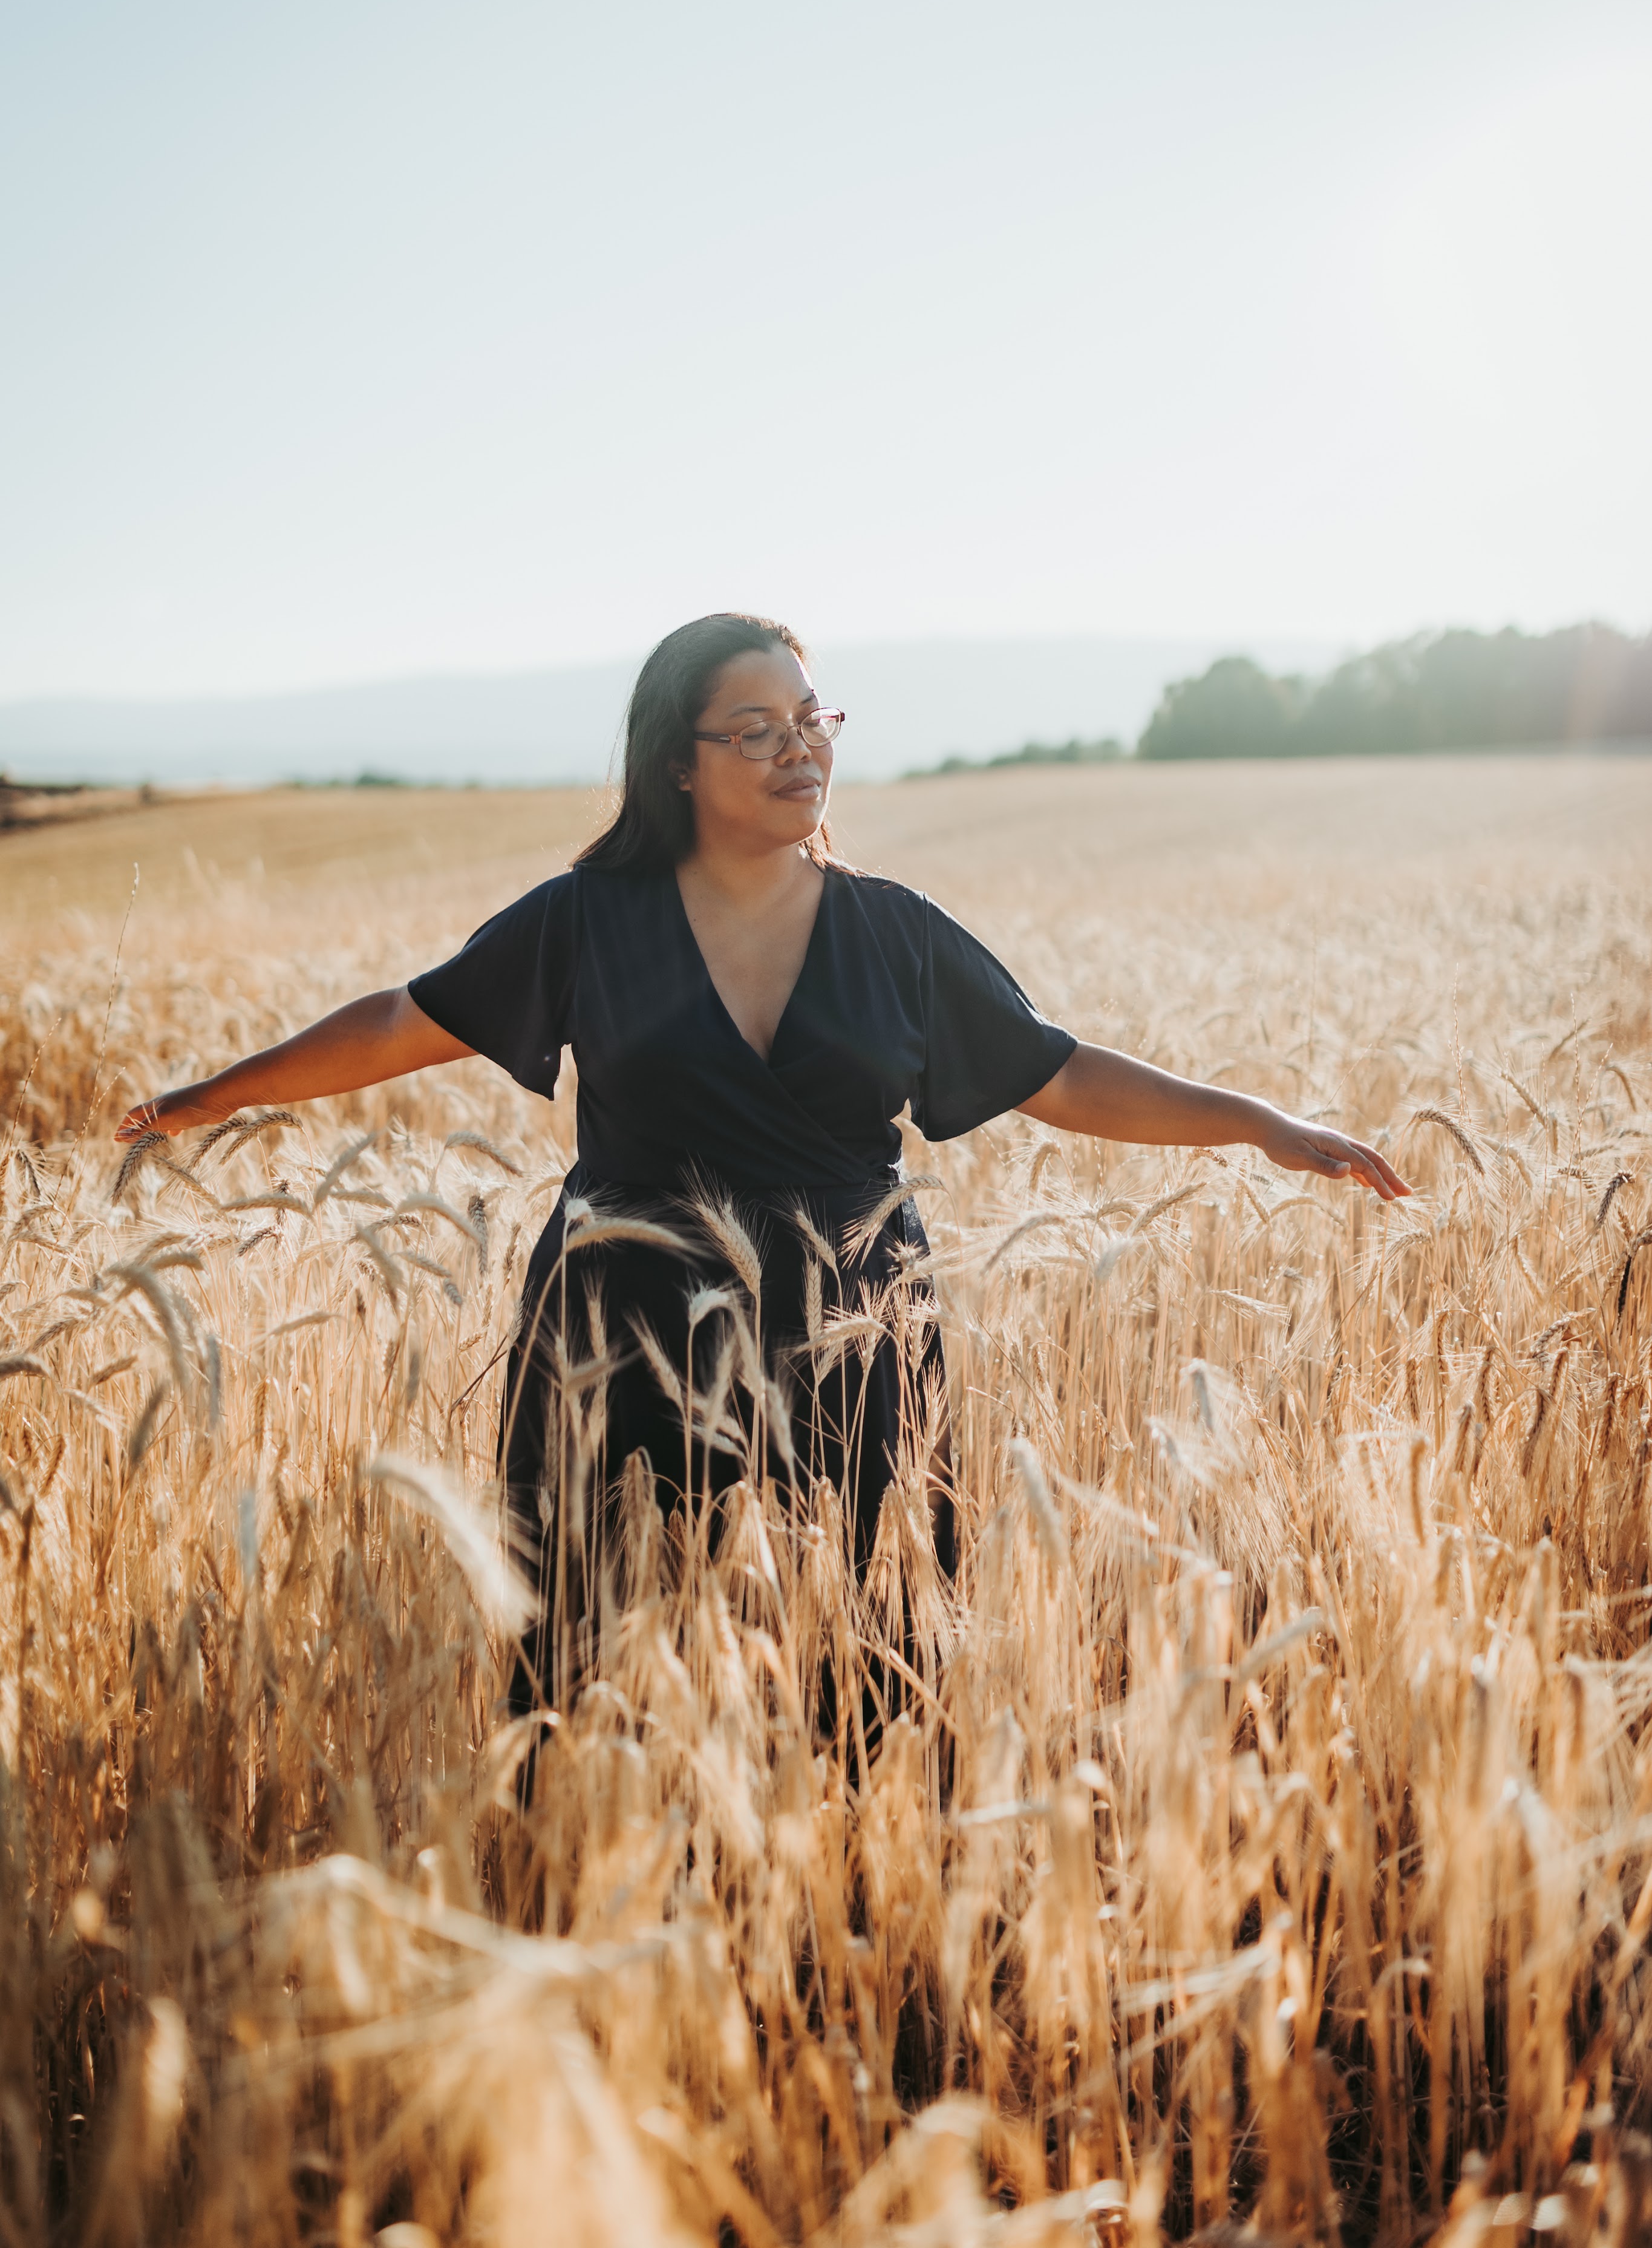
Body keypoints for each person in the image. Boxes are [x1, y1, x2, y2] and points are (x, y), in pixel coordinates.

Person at [117, 613, 1408, 1707]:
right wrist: (211, 1095)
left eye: (813, 718)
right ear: (677, 764)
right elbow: (403, 1022)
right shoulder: (586, 919)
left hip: (850, 1335)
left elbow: (1059, 1071)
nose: (801, 747)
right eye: (759, 728)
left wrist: (1258, 1121)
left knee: (867, 1668)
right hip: (617, 1336)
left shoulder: (893, 931)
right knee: (583, 1669)